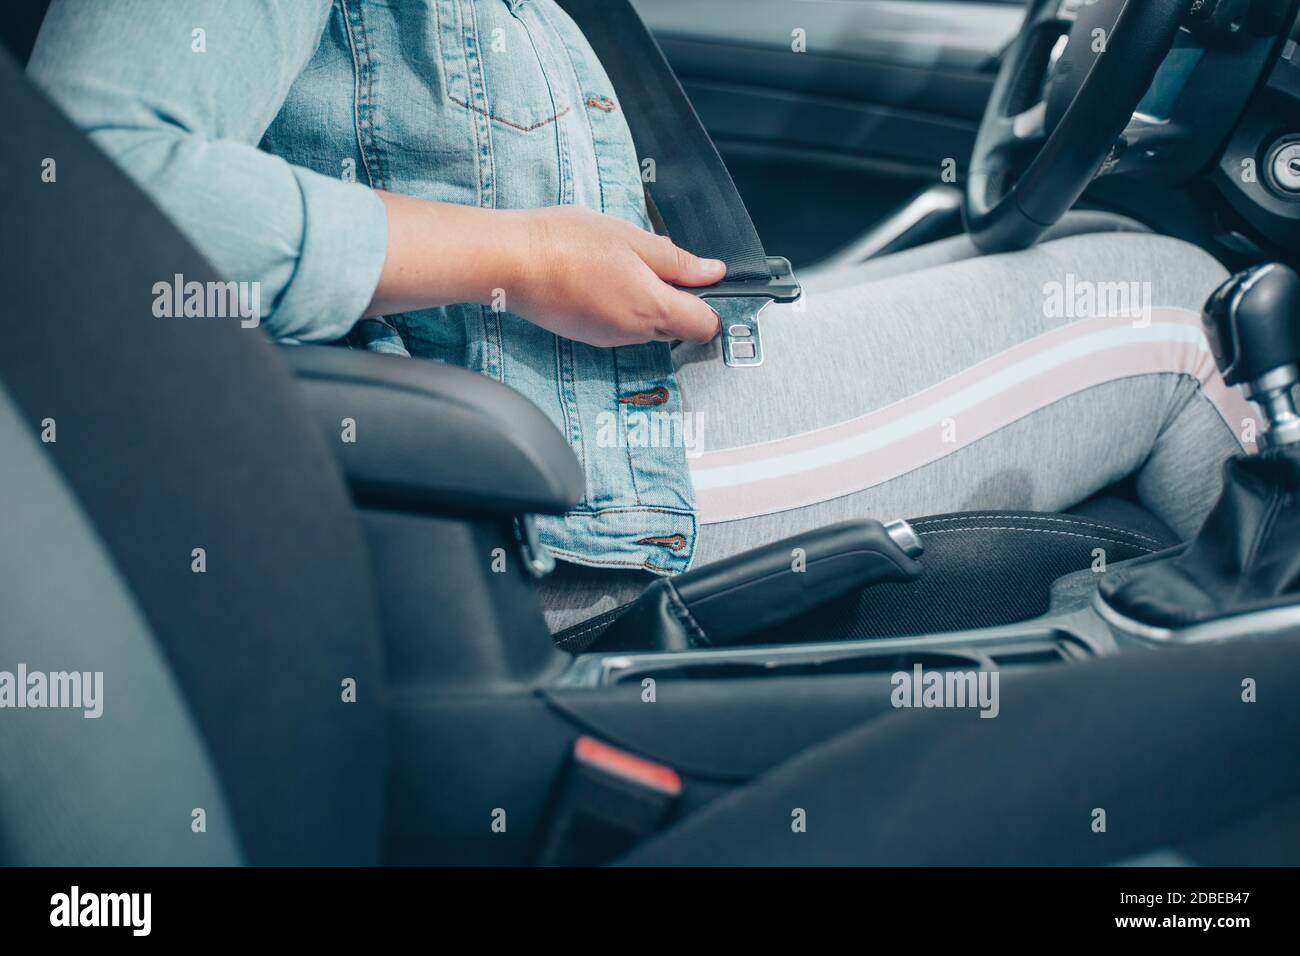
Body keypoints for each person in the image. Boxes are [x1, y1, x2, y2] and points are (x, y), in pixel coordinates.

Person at [30, 0, 1253, 632]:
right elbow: (95, 189)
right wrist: (520, 256)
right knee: (1187, 321)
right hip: (508, 471)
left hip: (563, 401)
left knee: (1108, 252)